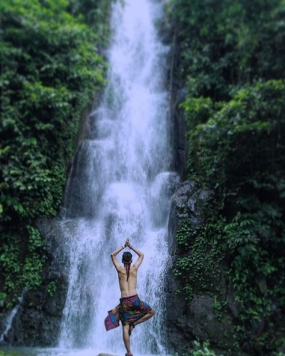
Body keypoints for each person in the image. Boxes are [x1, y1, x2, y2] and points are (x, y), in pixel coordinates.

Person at [105, 238, 154, 356]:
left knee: (125, 327)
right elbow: (142, 255)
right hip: (135, 299)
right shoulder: (134, 269)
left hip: (125, 302)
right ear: (132, 260)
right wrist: (130, 246)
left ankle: (129, 352)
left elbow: (112, 255)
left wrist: (123, 246)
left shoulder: (119, 270)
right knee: (151, 312)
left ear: (122, 260)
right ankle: (135, 323)